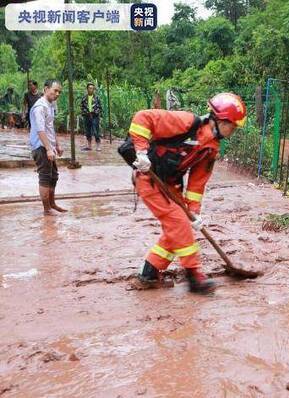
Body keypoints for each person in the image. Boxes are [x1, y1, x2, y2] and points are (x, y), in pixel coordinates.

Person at [129, 92, 247, 294]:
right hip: (150, 179)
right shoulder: (186, 122)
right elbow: (142, 118)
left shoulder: (211, 147)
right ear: (219, 119)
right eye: (232, 126)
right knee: (178, 224)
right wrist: (140, 151)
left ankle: (149, 274)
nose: (234, 130)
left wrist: (194, 211)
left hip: (172, 186)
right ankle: (194, 276)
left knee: (178, 229)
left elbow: (197, 183)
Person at [29, 79, 66, 216]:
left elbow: (50, 127)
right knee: (45, 177)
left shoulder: (50, 105)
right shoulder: (40, 107)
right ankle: (47, 209)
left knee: (54, 176)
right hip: (41, 147)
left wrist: (57, 145)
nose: (57, 94)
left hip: (48, 146)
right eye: (55, 90)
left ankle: (52, 203)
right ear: (45, 89)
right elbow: (40, 130)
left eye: (59, 92)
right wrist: (48, 149)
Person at [80, 83, 103, 151]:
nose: (91, 89)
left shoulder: (97, 98)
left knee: (96, 131)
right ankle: (89, 146)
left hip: (95, 116)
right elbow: (82, 107)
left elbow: (100, 107)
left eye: (92, 88)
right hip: (87, 116)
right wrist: (86, 113)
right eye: (90, 88)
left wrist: (95, 112)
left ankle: (98, 146)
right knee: (88, 131)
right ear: (87, 89)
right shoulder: (84, 98)